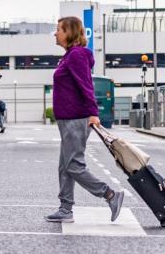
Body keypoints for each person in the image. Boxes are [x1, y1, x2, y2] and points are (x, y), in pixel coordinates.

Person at [44, 16, 124, 224]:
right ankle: (65, 209)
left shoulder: (76, 55)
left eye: (58, 30)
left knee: (74, 165)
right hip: (69, 119)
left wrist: (93, 112)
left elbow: (86, 85)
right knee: (65, 166)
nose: (55, 33)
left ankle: (110, 195)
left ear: (69, 32)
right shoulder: (70, 55)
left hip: (75, 119)